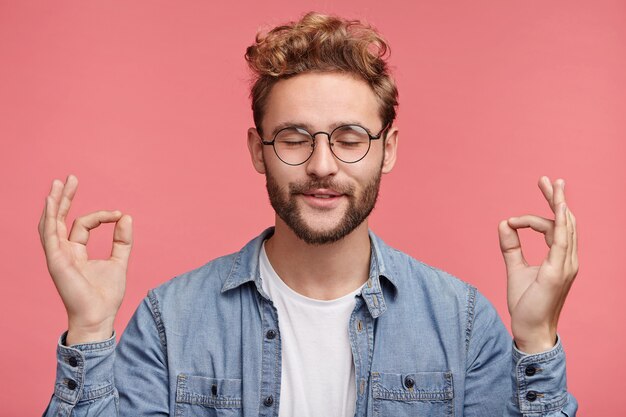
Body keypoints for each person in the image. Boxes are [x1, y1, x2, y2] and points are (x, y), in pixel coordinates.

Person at [40, 12, 579, 417]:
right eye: (295, 138)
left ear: (388, 150)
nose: (323, 166)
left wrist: (535, 338)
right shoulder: (170, 321)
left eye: (350, 138)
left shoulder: (461, 323)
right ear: (258, 150)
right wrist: (89, 328)